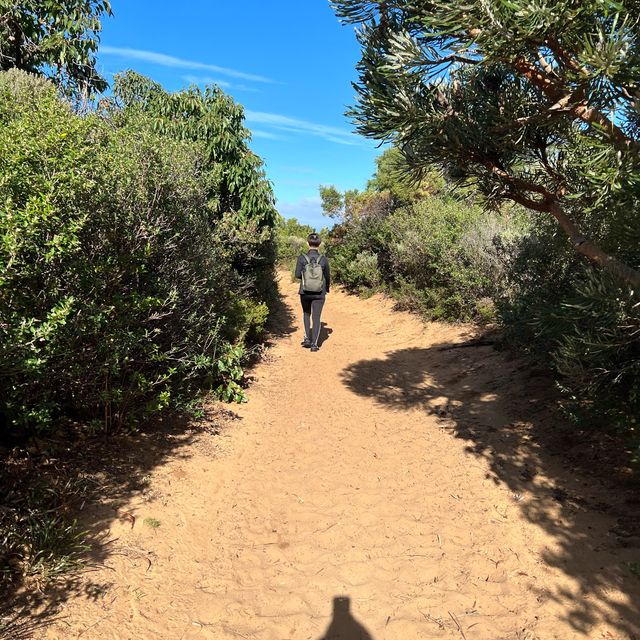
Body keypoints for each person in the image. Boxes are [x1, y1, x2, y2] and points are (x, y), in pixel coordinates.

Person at [295, 232, 330, 352]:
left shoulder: (302, 258)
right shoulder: (323, 259)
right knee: (316, 317)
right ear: (319, 244)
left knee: (306, 314)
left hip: (304, 292)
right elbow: (327, 276)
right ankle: (314, 344)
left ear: (307, 243)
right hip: (319, 293)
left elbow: (297, 275)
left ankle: (306, 338)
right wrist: (327, 289)